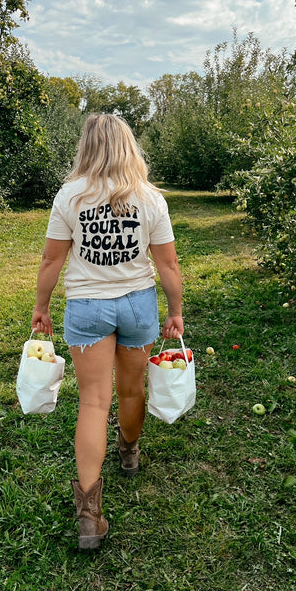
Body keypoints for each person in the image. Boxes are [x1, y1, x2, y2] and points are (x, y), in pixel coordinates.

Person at [31, 113, 183, 550]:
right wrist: (175, 312)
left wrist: (41, 307)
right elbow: (169, 264)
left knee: (94, 402)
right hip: (138, 304)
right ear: (129, 146)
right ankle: (129, 453)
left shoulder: (69, 196)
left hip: (87, 309)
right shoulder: (150, 198)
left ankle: (89, 515)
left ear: (87, 147)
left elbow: (51, 261)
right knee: (132, 392)